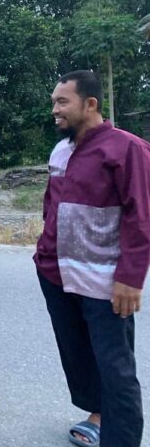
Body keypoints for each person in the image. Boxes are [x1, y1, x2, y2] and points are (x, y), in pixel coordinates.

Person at [34, 70, 149, 447]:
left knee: (116, 370)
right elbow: (51, 205)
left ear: (91, 104)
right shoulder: (61, 149)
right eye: (54, 101)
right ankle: (97, 416)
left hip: (105, 283)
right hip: (57, 275)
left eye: (62, 102)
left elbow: (141, 216)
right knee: (78, 356)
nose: (55, 109)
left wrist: (131, 278)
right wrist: (43, 252)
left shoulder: (127, 149)